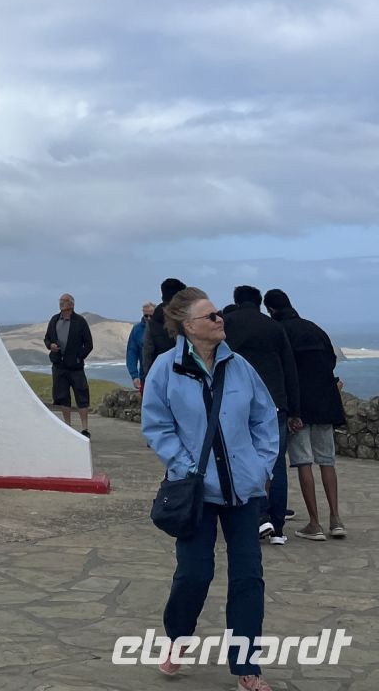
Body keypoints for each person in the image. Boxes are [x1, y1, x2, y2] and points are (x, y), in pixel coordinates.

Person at [141, 287, 279, 690]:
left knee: (248, 577)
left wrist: (261, 465)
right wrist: (187, 470)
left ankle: (247, 667)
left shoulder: (240, 367)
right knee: (194, 574)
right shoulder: (166, 369)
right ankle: (178, 639)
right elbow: (158, 427)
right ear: (188, 326)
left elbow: (264, 418)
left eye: (219, 314)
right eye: (212, 316)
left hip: (243, 492)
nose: (221, 320)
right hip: (195, 492)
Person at [263, 289, 347, 540]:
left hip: (299, 405)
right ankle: (336, 519)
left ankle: (314, 523)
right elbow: (330, 361)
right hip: (326, 402)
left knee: (303, 462)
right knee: (327, 460)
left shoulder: (280, 331)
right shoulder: (314, 328)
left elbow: (283, 370)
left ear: (270, 310)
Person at [221, 286, 300, 545]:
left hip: (237, 402)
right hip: (275, 402)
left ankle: (254, 517)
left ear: (237, 301)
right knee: (276, 463)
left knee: (239, 457)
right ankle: (277, 526)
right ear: (259, 304)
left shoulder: (227, 324)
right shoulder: (274, 327)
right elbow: (290, 369)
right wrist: (294, 410)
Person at [43, 293, 94, 434]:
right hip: (59, 366)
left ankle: (84, 429)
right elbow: (47, 338)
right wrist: (50, 345)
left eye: (64, 301)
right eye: (60, 301)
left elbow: (89, 344)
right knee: (63, 397)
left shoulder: (80, 321)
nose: (61, 303)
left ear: (72, 304)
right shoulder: (54, 320)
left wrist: (79, 357)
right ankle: (68, 428)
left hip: (76, 367)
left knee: (82, 396)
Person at [141, 277, 186, 379]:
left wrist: (148, 379)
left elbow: (147, 354)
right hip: (186, 373)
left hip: (160, 375)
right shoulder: (187, 319)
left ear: (162, 296)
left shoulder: (152, 323)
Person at [126, 301, 155, 394]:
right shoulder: (137, 329)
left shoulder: (163, 328)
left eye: (151, 316)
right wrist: (134, 375)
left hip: (161, 373)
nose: (149, 318)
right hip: (144, 375)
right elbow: (131, 353)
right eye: (146, 316)